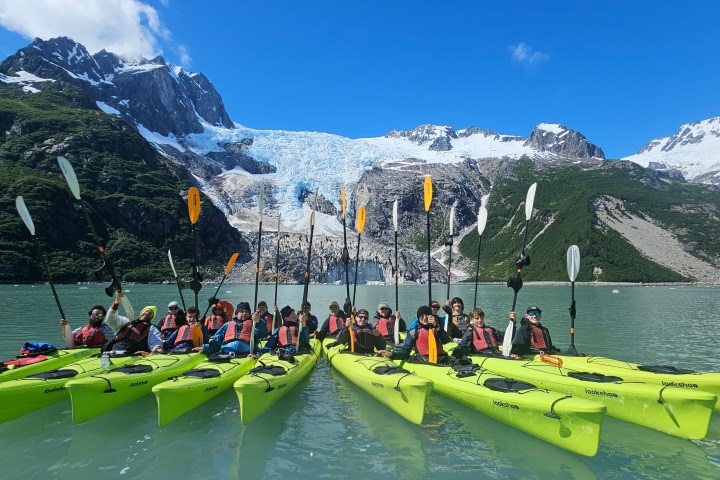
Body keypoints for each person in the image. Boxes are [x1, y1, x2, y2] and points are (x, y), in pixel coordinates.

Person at [193, 302, 268, 356]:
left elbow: (262, 334)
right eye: (241, 311)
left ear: (250, 314)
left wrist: (259, 322)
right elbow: (217, 340)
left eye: (246, 312)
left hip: (247, 351)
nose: (244, 313)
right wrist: (205, 347)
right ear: (236, 314)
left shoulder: (254, 323)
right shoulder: (228, 324)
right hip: (226, 350)